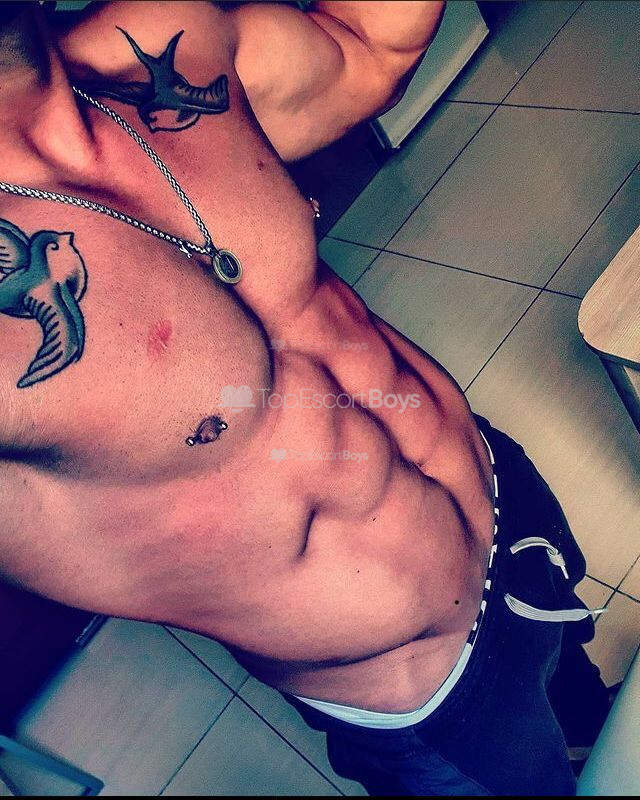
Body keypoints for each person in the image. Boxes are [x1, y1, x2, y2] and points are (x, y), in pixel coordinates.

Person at [0, 1, 610, 794]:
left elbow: (369, 48)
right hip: (423, 686)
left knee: (592, 716)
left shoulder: (155, 39)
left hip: (504, 498)